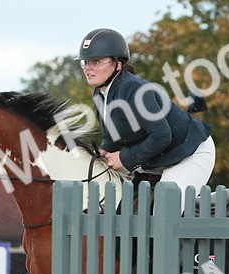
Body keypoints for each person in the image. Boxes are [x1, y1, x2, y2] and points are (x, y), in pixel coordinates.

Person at [76, 28, 215, 189]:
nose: (88, 68)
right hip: (159, 159)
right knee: (127, 208)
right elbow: (111, 135)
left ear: (117, 64)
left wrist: (123, 158)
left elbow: (161, 136)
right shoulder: (100, 94)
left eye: (96, 62)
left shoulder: (135, 90)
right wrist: (104, 150)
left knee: (164, 210)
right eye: (85, 62)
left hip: (190, 152)